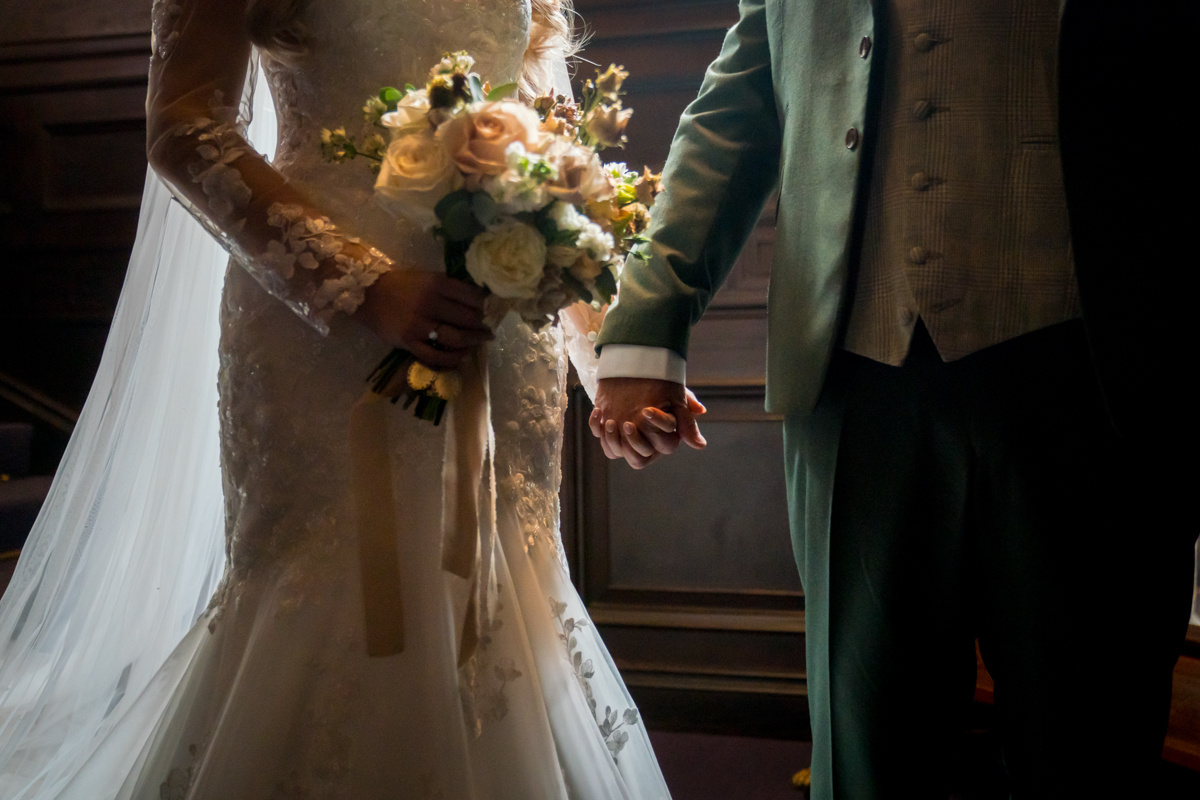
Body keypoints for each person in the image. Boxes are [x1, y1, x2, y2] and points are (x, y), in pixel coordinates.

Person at [0, 1, 672, 798]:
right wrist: (366, 285)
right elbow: (184, 125)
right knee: (332, 587)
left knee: (506, 590)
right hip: (320, 330)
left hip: (496, 320)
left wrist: (608, 363)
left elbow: (541, 139)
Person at [591, 0, 1199, 797]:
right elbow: (736, 107)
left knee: (1093, 749)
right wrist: (645, 329)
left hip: (1099, 380)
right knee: (870, 757)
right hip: (856, 380)